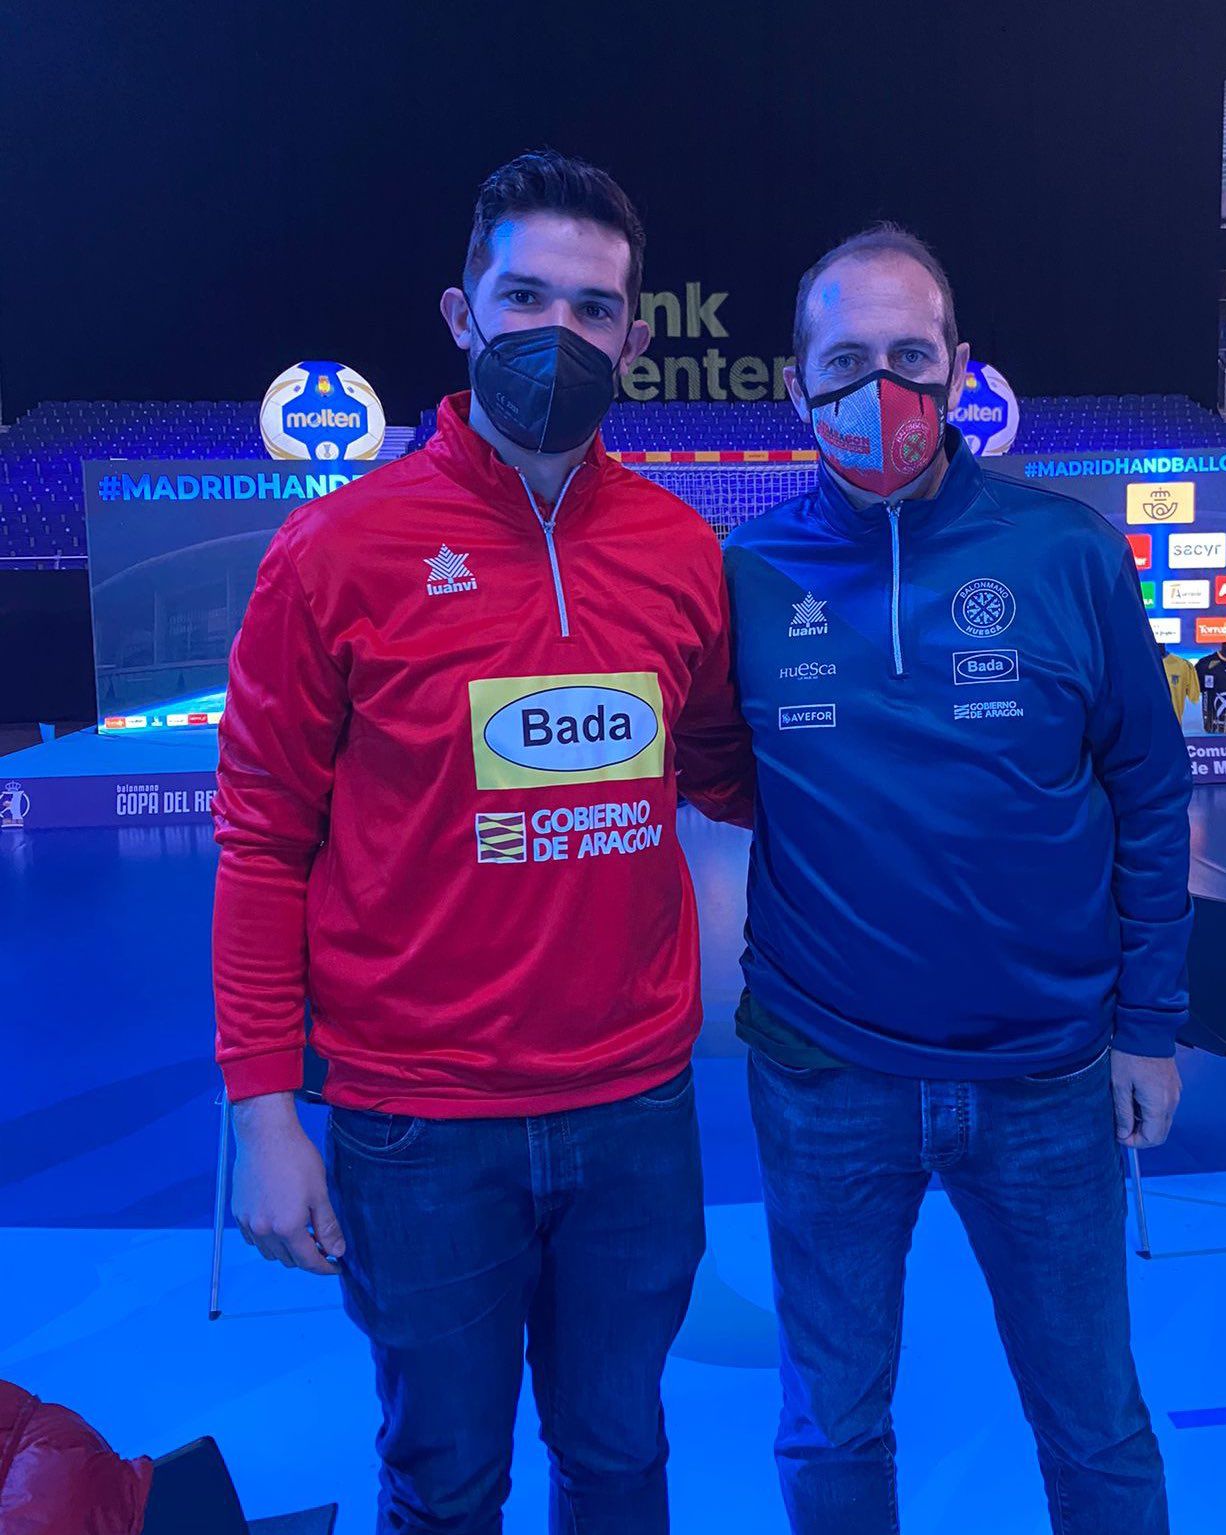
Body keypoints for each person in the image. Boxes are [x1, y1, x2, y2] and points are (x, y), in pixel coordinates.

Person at [213, 150, 751, 1535]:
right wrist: (267, 1111)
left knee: (622, 1462)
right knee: (445, 1482)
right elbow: (264, 843)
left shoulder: (685, 554)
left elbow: (732, 778)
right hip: (419, 1128)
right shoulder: (335, 555)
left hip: (639, 1112)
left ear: (634, 337)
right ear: (463, 315)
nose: (555, 336)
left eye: (592, 309)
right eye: (526, 297)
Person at [723, 223, 1192, 1534]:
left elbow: (1151, 788)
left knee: (1095, 1423)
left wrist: (1149, 1025)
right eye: (848, 358)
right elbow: (707, 768)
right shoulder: (746, 573)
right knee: (829, 1429)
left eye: (911, 356)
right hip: (823, 1075)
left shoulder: (1068, 555)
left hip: (1049, 1075)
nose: (882, 389)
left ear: (960, 369)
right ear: (794, 380)